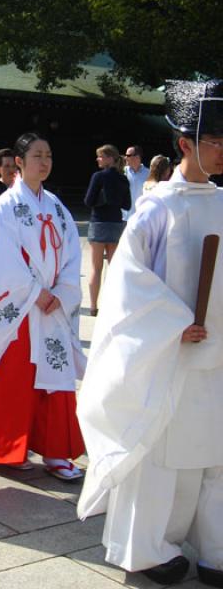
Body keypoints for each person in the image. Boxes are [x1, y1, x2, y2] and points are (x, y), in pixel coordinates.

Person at [78, 79, 223, 587]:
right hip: (171, 353)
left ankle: (216, 547)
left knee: (216, 456)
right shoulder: (157, 207)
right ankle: (147, 548)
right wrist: (173, 322)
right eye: (215, 141)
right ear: (184, 144)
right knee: (165, 454)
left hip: (220, 354)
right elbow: (128, 282)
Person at [0, 133, 86, 480]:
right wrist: (33, 292)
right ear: (19, 161)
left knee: (55, 380)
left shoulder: (57, 207)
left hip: (51, 307)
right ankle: (6, 449)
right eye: (36, 155)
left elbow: (73, 255)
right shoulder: (6, 205)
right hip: (18, 309)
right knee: (13, 379)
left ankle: (57, 451)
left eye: (48, 155)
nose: (43, 162)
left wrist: (63, 290)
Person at [84, 144, 131, 316]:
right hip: (116, 224)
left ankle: (93, 306)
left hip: (98, 223)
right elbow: (127, 204)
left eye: (101, 156)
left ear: (110, 158)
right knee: (114, 268)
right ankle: (114, 305)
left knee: (96, 268)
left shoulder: (98, 177)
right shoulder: (123, 179)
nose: (98, 159)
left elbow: (88, 201)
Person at [123, 144, 150, 219]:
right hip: (124, 217)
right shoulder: (122, 172)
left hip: (142, 216)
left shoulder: (149, 174)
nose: (125, 157)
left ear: (137, 157)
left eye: (128, 155)